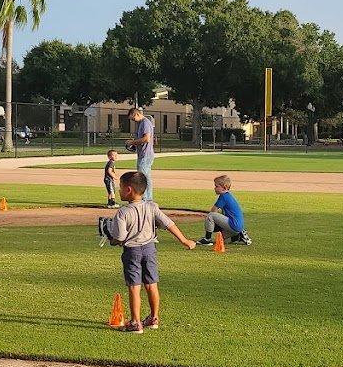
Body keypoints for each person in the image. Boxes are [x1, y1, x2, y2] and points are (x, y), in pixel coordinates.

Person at [104, 170, 195, 334]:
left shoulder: (123, 212)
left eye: (121, 187)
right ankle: (153, 318)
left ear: (129, 190)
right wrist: (184, 240)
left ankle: (135, 323)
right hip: (150, 249)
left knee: (134, 286)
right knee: (151, 284)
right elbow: (168, 224)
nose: (119, 190)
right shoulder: (152, 207)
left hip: (132, 251)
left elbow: (120, 237)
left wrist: (111, 239)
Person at [197, 174, 252, 246]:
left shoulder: (224, 196)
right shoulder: (228, 195)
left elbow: (213, 211)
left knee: (211, 216)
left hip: (233, 224)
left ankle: (207, 239)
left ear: (224, 188)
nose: (214, 188)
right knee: (221, 240)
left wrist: (211, 225)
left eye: (217, 186)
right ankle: (238, 236)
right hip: (237, 227)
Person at [125, 107, 155, 201]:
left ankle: (145, 199)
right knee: (146, 178)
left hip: (145, 155)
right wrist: (134, 144)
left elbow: (146, 139)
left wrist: (132, 142)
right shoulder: (142, 123)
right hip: (145, 154)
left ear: (136, 114)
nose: (133, 121)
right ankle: (148, 199)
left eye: (133, 118)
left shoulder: (145, 123)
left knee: (142, 179)